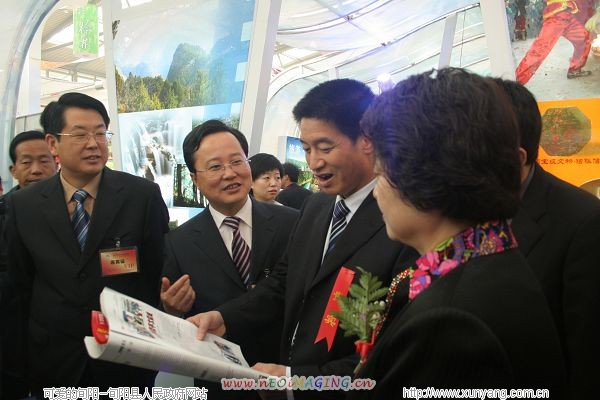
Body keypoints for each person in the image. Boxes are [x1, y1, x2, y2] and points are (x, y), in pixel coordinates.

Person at [189, 79, 417, 399]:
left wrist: (298, 382)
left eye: (325, 147)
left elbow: (390, 352)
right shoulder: (316, 206)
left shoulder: (403, 224)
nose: (313, 163)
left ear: (367, 139)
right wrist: (225, 318)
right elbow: (283, 282)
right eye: (307, 149)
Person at [347, 68, 566, 398]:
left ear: (425, 176)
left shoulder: (451, 323)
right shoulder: (492, 261)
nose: (377, 192)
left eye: (381, 174)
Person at [5, 92, 169, 393]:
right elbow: (20, 286)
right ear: (52, 143)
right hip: (53, 360)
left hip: (125, 360)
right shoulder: (24, 206)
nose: (94, 144)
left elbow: (154, 272)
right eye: (80, 135)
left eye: (100, 134)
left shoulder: (141, 196)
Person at [161, 120, 298, 399]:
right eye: (215, 167)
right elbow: (177, 323)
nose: (229, 173)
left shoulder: (293, 223)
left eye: (237, 161)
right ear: (195, 178)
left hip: (285, 373)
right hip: (220, 381)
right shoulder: (178, 242)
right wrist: (171, 310)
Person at [496, 78, 600, 400]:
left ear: (517, 158)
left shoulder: (583, 221)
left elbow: (588, 360)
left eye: (469, 147)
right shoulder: (461, 209)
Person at [1, 130, 58, 399]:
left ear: (56, 163)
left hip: (61, 341)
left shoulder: (76, 210)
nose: (36, 170)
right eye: (26, 162)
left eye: (44, 161)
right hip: (12, 337)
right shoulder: (4, 212)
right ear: (13, 170)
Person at [515, 0, 595, 83]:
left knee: (585, 39)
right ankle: (516, 81)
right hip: (556, 15)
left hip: (572, 14)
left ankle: (575, 68)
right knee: (539, 50)